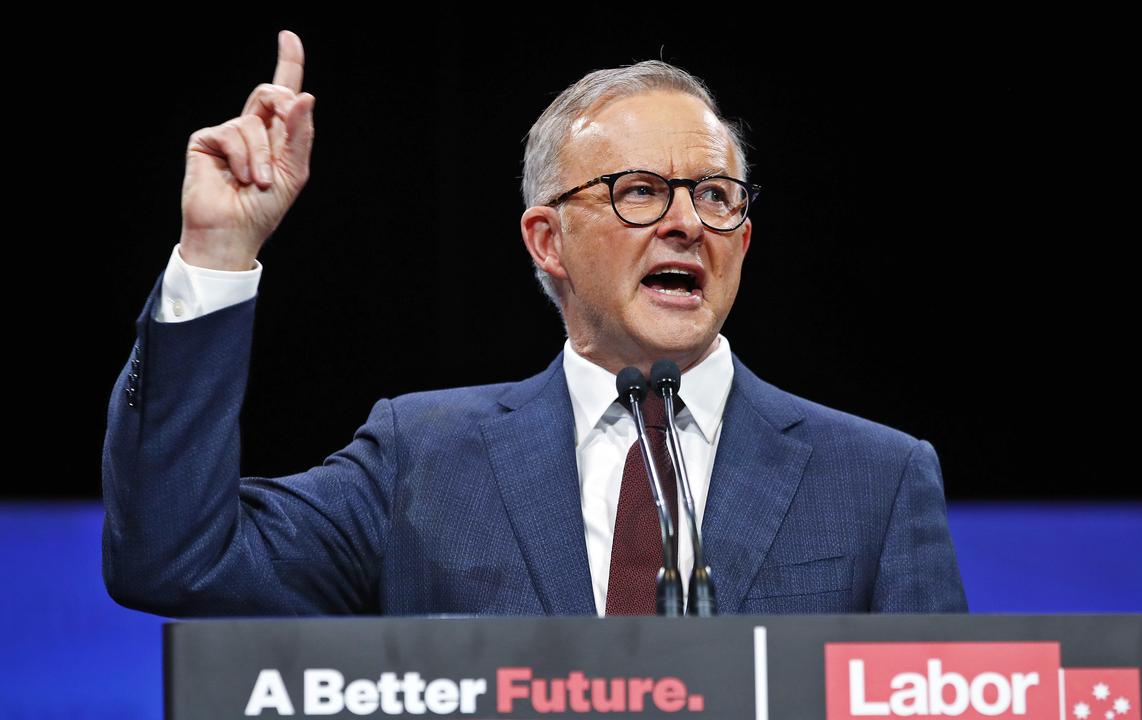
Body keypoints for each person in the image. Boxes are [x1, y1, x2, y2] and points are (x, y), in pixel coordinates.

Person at [102, 30, 966, 617]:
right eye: (639, 192)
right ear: (546, 240)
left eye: (714, 195)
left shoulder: (876, 479)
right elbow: (176, 561)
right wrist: (215, 254)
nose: (686, 223)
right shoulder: (421, 461)